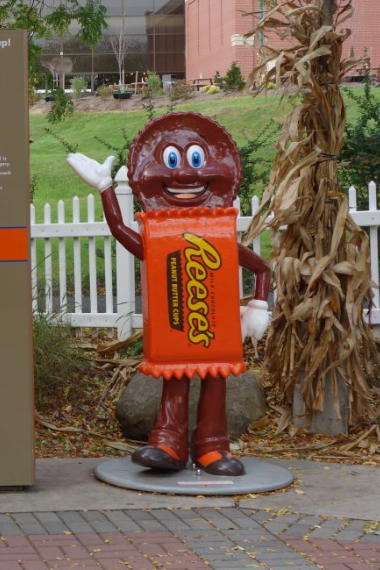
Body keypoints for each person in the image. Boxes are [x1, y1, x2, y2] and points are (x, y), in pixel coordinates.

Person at [67, 111, 270, 476]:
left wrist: (258, 305)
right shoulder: (160, 234)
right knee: (176, 376)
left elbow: (260, 267)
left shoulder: (218, 233)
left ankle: (212, 446)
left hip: (215, 326)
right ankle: (168, 442)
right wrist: (104, 188)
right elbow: (120, 230)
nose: (185, 175)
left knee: (215, 380)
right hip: (180, 327)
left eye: (195, 160)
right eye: (172, 162)